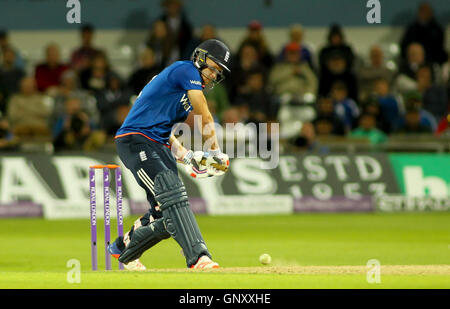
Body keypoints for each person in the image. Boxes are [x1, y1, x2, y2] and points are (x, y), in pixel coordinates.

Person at [107, 39, 231, 271]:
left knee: (163, 211)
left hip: (156, 143)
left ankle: (122, 248)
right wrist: (215, 152)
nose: (214, 75)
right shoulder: (185, 70)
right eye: (213, 67)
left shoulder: (183, 88)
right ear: (200, 58)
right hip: (136, 140)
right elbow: (203, 111)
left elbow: (163, 130)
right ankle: (198, 257)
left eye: (219, 72)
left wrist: (186, 157)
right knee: (173, 196)